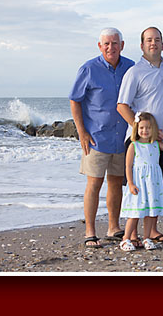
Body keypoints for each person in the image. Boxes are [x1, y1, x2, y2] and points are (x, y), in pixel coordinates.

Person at [68, 27, 134, 249]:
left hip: (122, 137)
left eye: (115, 43)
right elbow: (75, 100)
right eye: (106, 44)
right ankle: (90, 232)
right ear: (99, 46)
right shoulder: (88, 69)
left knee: (116, 182)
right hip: (96, 137)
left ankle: (113, 228)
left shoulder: (131, 67)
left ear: (122, 45)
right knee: (94, 184)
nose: (110, 47)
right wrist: (82, 132)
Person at [117, 26, 163, 244]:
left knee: (158, 187)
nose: (154, 43)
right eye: (149, 40)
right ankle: (131, 235)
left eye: (157, 39)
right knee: (137, 189)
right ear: (142, 45)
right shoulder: (134, 72)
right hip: (141, 142)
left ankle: (151, 231)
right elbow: (122, 106)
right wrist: (139, 131)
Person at [119, 112, 163, 251]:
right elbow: (128, 166)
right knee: (135, 212)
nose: (145, 131)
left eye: (148, 128)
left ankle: (147, 238)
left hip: (153, 184)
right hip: (139, 183)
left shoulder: (156, 144)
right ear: (136, 129)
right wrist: (131, 183)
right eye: (142, 128)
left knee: (151, 212)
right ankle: (125, 239)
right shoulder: (134, 145)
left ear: (154, 130)